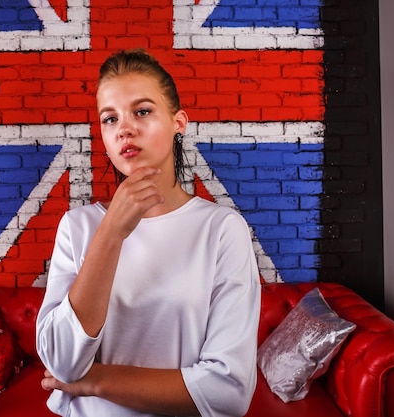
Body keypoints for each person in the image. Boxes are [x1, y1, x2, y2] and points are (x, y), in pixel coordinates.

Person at [36, 48, 261, 417]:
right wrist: (109, 234)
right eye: (110, 119)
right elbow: (62, 363)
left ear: (178, 122)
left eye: (142, 111)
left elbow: (228, 392)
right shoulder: (77, 227)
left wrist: (94, 382)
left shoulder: (221, 230)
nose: (124, 128)